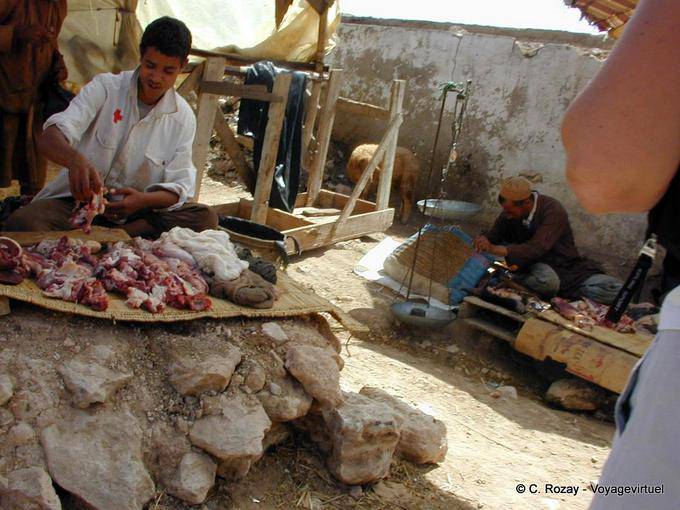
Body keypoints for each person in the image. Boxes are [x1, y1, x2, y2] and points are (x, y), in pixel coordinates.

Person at [561, 0, 680, 508]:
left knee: (560, 282)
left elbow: (602, 173)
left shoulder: (545, 214)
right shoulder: (510, 213)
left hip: (567, 273)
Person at [3, 16, 218, 237]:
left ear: (182, 66)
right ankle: (110, 237)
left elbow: (180, 188)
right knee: (22, 222)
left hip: (135, 213)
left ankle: (115, 236)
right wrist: (75, 161)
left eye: (168, 71)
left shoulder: (182, 118)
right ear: (140, 55)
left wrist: (142, 200)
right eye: (150, 66)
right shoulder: (106, 88)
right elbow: (50, 136)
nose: (156, 77)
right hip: (78, 205)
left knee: (205, 217)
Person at [473, 176, 622, 304]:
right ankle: (527, 284)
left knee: (618, 292)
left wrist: (495, 249)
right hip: (535, 267)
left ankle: (528, 286)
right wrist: (484, 239)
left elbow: (537, 248)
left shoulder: (553, 210)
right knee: (548, 282)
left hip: (565, 267)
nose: (508, 216)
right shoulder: (509, 213)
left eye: (511, 211)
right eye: (505, 211)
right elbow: (494, 234)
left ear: (527, 203)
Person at [0, 0, 68, 195]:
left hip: (35, 98)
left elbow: (52, 41)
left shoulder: (58, 5)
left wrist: (57, 62)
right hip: (4, 95)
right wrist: (16, 33)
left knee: (33, 174)